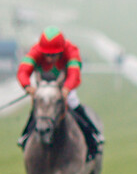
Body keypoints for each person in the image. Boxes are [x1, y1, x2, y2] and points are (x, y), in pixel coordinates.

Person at [17, 26, 103, 159]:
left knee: (73, 103)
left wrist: (66, 89)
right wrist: (28, 87)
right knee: (39, 108)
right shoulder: (35, 51)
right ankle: (25, 135)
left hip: (65, 86)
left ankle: (92, 134)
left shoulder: (71, 50)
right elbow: (23, 71)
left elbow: (74, 73)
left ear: (61, 51)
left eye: (53, 55)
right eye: (47, 55)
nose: (50, 58)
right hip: (43, 87)